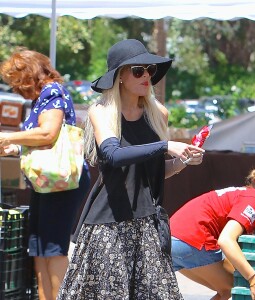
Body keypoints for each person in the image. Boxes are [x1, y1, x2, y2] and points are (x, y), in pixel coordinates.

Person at [56, 38, 205, 299]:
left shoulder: (158, 113)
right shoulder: (101, 111)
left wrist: (182, 161)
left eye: (150, 70)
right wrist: (165, 145)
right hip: (108, 223)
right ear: (120, 76)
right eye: (138, 70)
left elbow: (154, 173)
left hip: (147, 223)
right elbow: (113, 155)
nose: (147, 75)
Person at [0, 48, 91, 300]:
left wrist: (8, 136)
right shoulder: (42, 97)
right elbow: (42, 140)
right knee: (38, 248)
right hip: (46, 182)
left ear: (29, 74)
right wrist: (15, 147)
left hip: (61, 182)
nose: (16, 88)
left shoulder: (53, 92)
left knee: (53, 248)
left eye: (16, 81)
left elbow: (47, 133)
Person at [170, 167, 255, 300]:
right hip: (192, 238)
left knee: (227, 288)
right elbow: (226, 240)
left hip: (173, 239)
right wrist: (254, 279)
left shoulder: (250, 195)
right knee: (233, 287)